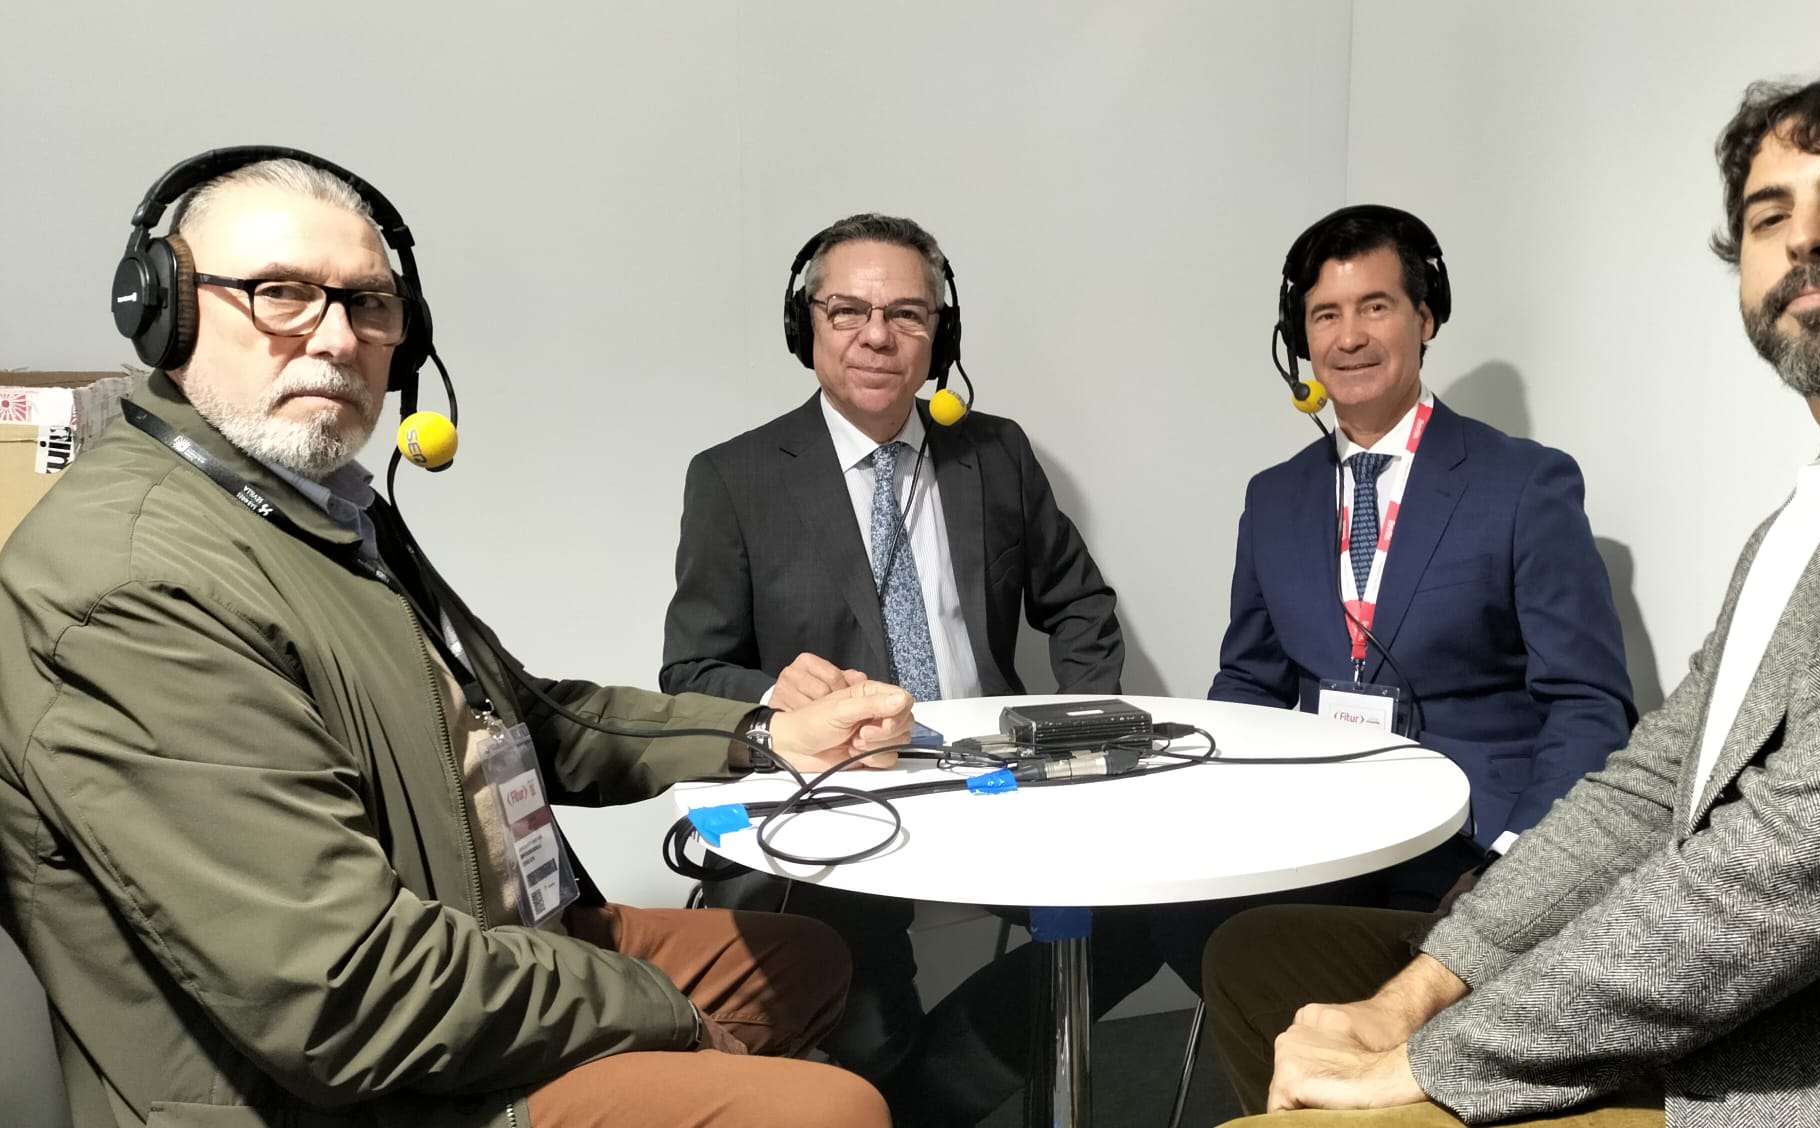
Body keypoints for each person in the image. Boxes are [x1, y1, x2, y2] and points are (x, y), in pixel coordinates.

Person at [0, 150, 916, 1128]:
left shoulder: (316, 512)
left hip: (472, 939)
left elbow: (541, 722)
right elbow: (344, 994)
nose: (336, 337)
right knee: (831, 1111)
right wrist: (664, 1015)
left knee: (804, 959)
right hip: (342, 1084)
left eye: (369, 304)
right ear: (167, 311)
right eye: (280, 295)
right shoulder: (133, 586)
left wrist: (766, 735)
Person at [1205, 54, 1820, 1127]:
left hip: (1818, 1053)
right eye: (1768, 217)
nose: (1804, 238)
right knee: (1258, 956)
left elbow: (1780, 868)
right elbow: (1657, 774)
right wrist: (1417, 992)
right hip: (1650, 951)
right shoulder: (1811, 503)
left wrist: (1431, 1053)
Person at [659, 213, 1151, 1123]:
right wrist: (775, 699)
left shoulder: (994, 454)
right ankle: (894, 1086)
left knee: (1145, 911)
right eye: (848, 311)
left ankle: (921, 1101)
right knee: (852, 985)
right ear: (805, 326)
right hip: (847, 787)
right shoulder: (735, 477)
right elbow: (689, 671)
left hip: (995, 776)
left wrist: (1074, 729)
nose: (877, 336)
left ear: (941, 335)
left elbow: (1080, 604)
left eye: (909, 315)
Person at [1157, 206, 1638, 989]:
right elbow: (1249, 680)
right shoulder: (1273, 497)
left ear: (1426, 317)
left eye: (1374, 307)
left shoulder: (1525, 482)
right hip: (1315, 822)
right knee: (1167, 908)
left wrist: (1520, 861)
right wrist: (1216, 806)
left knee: (1360, 976)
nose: (1349, 338)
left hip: (1464, 839)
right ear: (1299, 341)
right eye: (1325, 315)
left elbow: (1588, 704)